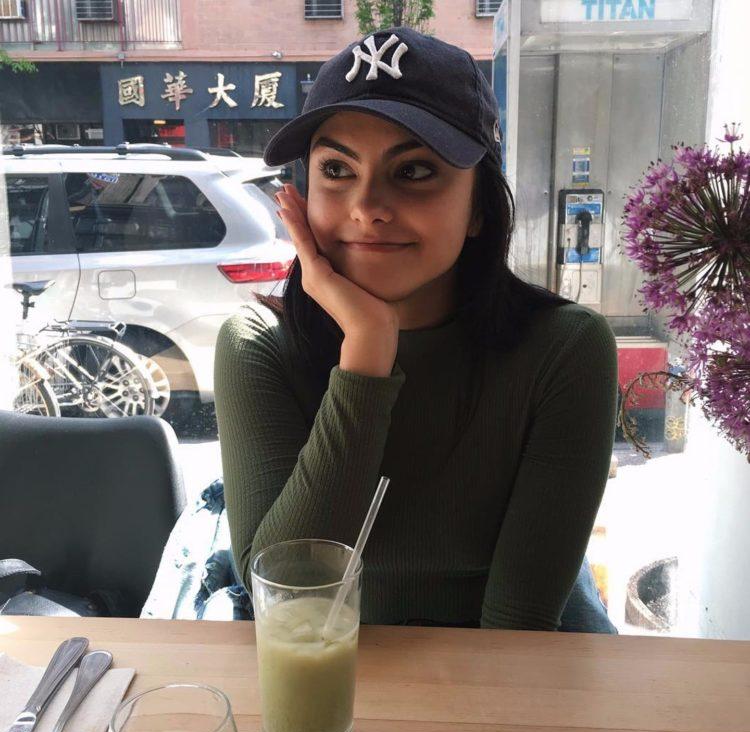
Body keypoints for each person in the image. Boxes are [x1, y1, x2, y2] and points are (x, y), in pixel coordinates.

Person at [214, 26, 618, 631]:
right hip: (326, 675)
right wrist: (367, 351)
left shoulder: (564, 350)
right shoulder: (259, 346)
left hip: (508, 670)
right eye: (336, 169)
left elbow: (518, 628)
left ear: (478, 207)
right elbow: (288, 601)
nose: (367, 207)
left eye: (415, 171)